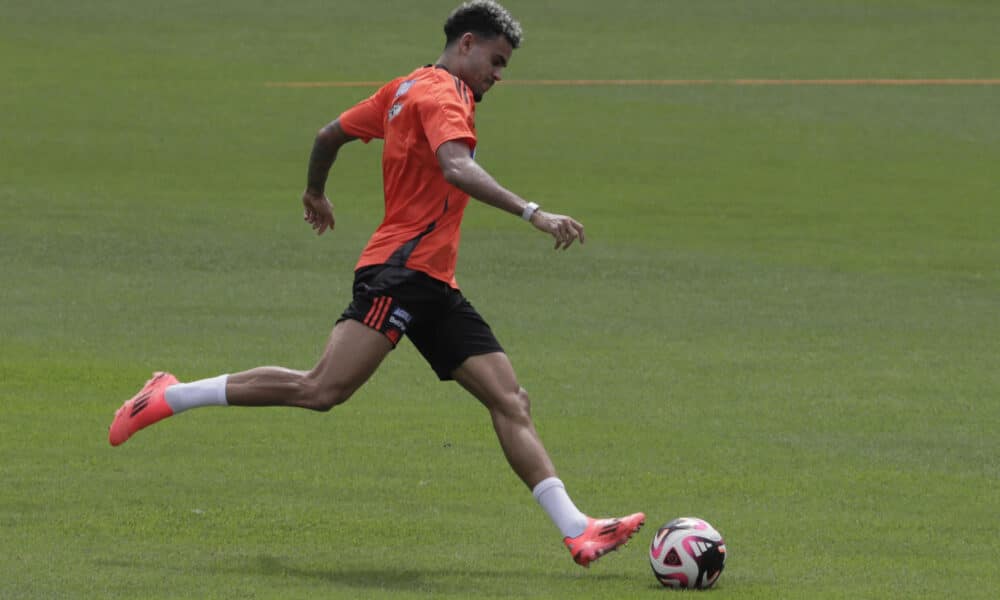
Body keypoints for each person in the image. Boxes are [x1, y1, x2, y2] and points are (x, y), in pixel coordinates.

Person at [109, 0, 643, 568]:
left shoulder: (400, 89)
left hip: (434, 281)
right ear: (466, 44)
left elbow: (328, 134)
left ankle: (577, 530)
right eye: (495, 60)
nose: (497, 75)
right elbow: (456, 166)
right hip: (400, 273)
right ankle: (169, 395)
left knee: (510, 398)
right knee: (322, 389)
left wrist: (315, 191)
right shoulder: (445, 95)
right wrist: (533, 212)